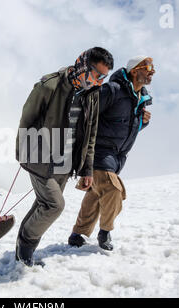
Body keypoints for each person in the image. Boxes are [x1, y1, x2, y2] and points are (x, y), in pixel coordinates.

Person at [15, 47, 114, 267]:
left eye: (103, 77)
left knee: (44, 204)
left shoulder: (93, 93)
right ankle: (25, 246)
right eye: (96, 75)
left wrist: (86, 169)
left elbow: (91, 133)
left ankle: (22, 254)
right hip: (40, 157)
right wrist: (26, 155)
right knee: (54, 205)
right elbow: (27, 120)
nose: (99, 82)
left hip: (66, 161)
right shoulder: (49, 85)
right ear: (82, 66)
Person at [68, 55, 155, 251]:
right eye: (147, 68)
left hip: (118, 156)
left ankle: (78, 234)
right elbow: (87, 112)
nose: (152, 72)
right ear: (134, 70)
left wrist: (142, 123)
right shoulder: (113, 90)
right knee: (113, 189)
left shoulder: (140, 100)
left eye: (153, 69)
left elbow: (122, 128)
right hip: (99, 151)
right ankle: (105, 232)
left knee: (96, 193)